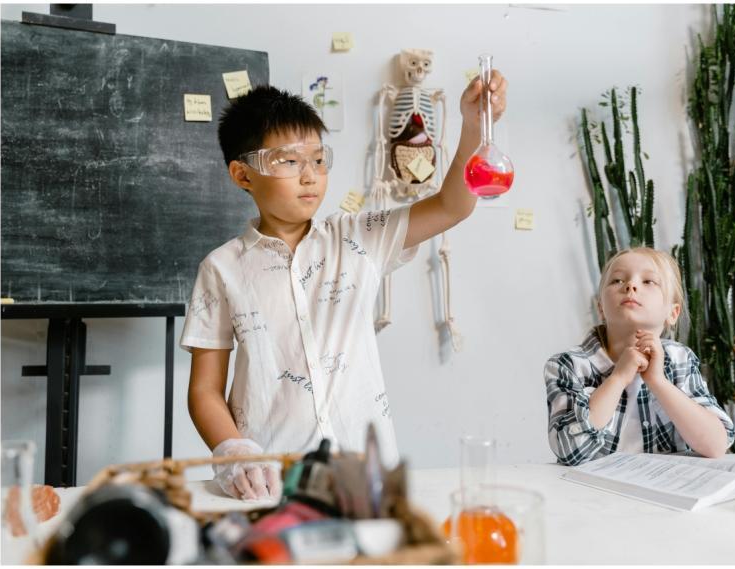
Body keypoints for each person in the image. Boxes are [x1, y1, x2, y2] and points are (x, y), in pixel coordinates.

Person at [180, 74, 509, 500]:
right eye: (289, 161)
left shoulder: (360, 237)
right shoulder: (222, 268)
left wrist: (471, 125)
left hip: (366, 478)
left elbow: (452, 205)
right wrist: (234, 452)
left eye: (318, 160)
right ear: (243, 175)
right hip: (273, 483)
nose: (310, 176)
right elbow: (205, 389)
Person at [544, 247, 735, 466]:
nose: (630, 286)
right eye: (616, 280)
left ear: (672, 313)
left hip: (666, 490)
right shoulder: (568, 365)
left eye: (649, 282)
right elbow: (568, 450)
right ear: (601, 308)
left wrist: (658, 382)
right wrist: (618, 378)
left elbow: (716, 445)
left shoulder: (680, 358)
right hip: (593, 494)